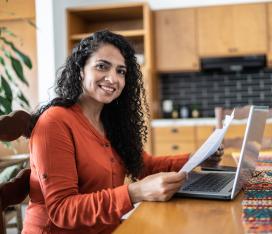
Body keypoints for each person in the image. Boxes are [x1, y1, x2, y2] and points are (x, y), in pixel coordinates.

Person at [22, 30, 223, 233]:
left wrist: (198, 158)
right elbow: (63, 210)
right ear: (81, 69)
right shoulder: (54, 122)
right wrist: (135, 192)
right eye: (102, 66)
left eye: (121, 71)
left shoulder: (109, 121)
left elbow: (143, 165)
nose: (113, 78)